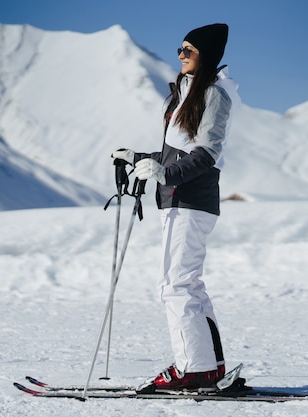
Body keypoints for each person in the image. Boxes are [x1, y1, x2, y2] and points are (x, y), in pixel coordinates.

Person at [112, 23, 240, 392]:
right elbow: (173, 157)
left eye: (189, 50)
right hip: (178, 200)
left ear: (207, 55)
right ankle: (209, 366)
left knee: (176, 286)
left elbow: (206, 154)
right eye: (180, 49)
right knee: (187, 285)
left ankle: (193, 368)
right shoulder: (186, 93)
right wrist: (136, 158)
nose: (181, 56)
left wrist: (165, 175)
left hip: (192, 200)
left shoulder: (214, 94)